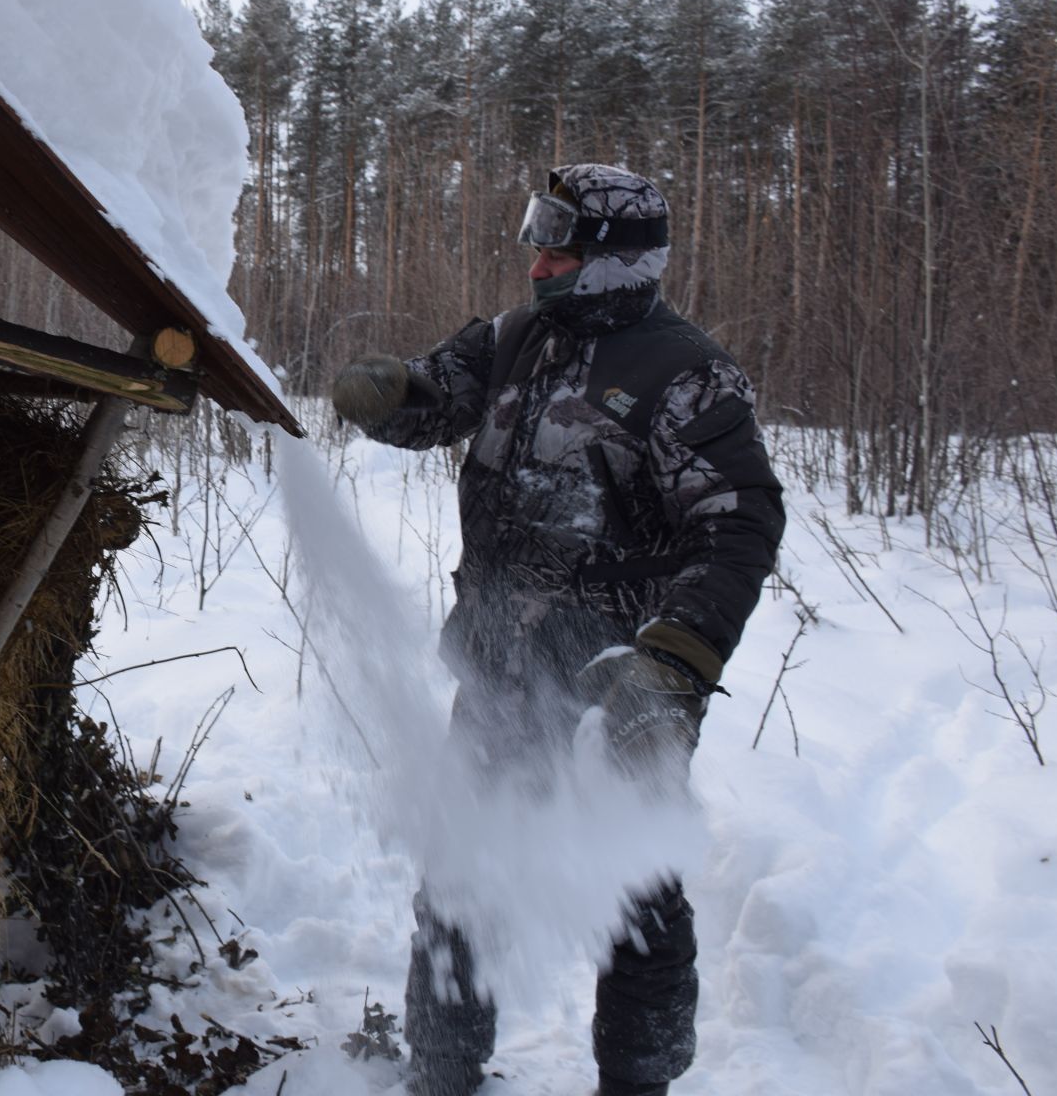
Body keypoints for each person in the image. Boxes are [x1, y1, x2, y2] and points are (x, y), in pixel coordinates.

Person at [330, 163, 785, 1096]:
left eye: (561, 245)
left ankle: (639, 1083)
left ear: (617, 261)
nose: (539, 262)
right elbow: (437, 395)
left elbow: (738, 520)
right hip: (498, 664)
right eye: (538, 239)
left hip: (618, 684)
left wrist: (676, 660)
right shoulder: (513, 338)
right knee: (458, 874)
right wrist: (390, 391)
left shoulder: (685, 374)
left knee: (633, 898)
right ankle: (443, 1071)